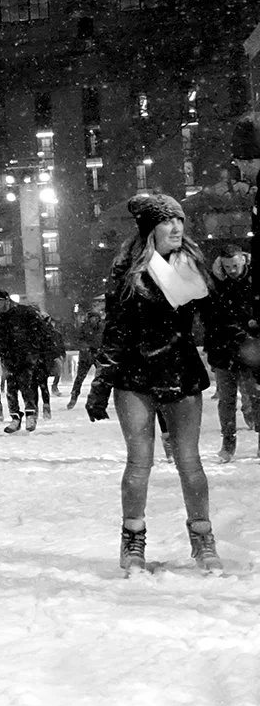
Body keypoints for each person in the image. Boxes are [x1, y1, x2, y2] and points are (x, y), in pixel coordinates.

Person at [86, 193, 231, 573]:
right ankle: (132, 543)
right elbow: (115, 330)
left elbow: (219, 318)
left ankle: (203, 540)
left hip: (181, 375)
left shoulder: (193, 269)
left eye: (180, 221)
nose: (177, 228)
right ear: (151, 229)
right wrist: (101, 384)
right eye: (168, 222)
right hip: (135, 378)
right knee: (139, 462)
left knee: (189, 462)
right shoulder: (129, 273)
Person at [204, 245, 260, 463]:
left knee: (256, 398)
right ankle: (228, 444)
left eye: (235, 265)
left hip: (250, 350)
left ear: (244, 261)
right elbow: (211, 317)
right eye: (227, 266)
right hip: (223, 351)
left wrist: (251, 327)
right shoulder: (215, 284)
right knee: (226, 401)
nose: (232, 270)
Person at [0, 291, 46, 433]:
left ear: (7, 301)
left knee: (26, 384)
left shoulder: (23, 313)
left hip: (26, 355)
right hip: (8, 357)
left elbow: (40, 330)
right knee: (11, 388)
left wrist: (35, 348)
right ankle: (15, 416)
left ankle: (31, 414)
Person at [67, 309, 103, 410]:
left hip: (98, 355)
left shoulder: (102, 328)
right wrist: (86, 348)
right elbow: (78, 340)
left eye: (96, 318)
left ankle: (98, 399)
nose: (94, 320)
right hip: (86, 356)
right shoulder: (84, 328)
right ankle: (74, 396)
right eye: (92, 318)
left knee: (102, 377)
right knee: (80, 378)